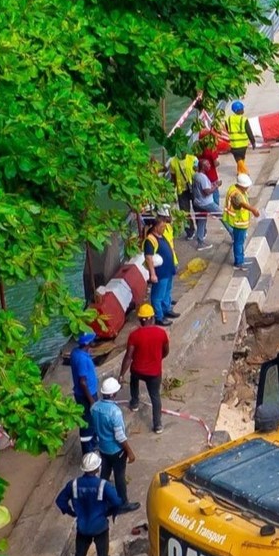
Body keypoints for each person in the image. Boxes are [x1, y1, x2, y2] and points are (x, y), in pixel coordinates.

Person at [56, 452, 126, 556]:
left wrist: (71, 512)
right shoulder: (104, 485)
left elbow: (60, 501)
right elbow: (117, 502)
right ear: (97, 468)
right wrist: (109, 512)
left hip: (82, 528)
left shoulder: (73, 484)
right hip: (100, 527)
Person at [90, 377, 139, 511]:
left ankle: (101, 499)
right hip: (116, 450)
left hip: (103, 448)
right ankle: (123, 503)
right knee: (119, 477)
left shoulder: (94, 407)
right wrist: (129, 451)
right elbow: (119, 436)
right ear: (112, 394)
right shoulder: (114, 411)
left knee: (105, 474)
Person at [121, 303, 169, 433]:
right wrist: (158, 358)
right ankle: (157, 424)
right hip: (154, 373)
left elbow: (128, 356)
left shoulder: (134, 335)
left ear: (140, 320)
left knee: (133, 380)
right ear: (152, 318)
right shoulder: (161, 333)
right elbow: (166, 351)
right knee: (155, 397)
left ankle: (135, 402)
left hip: (138, 370)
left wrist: (121, 375)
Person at [69, 331, 100, 454]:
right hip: (87, 395)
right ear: (87, 343)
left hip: (85, 394)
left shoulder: (76, 353)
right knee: (88, 423)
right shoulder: (82, 359)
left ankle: (94, 443)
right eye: (92, 340)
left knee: (91, 420)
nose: (94, 341)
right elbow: (82, 382)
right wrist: (91, 400)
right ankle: (88, 451)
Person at [144, 212, 178, 324]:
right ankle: (159, 317)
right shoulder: (150, 240)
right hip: (160, 273)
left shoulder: (161, 235)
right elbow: (148, 258)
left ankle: (166, 309)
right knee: (158, 296)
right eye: (162, 226)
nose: (164, 228)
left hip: (168, 270)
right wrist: (152, 274)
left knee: (167, 292)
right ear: (155, 226)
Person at [224, 173, 254, 267]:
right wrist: (253, 210)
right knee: (238, 242)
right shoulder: (236, 194)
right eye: (246, 187)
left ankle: (241, 258)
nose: (247, 188)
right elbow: (241, 203)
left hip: (239, 221)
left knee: (239, 241)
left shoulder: (234, 188)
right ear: (241, 185)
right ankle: (239, 262)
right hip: (239, 222)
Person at [187, 159, 219, 245]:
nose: (209, 165)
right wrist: (215, 186)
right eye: (207, 164)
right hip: (207, 203)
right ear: (203, 167)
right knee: (223, 216)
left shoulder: (195, 176)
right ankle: (233, 233)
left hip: (198, 202)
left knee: (201, 221)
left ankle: (200, 242)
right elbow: (207, 191)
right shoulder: (202, 177)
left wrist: (212, 185)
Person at [224, 101, 249, 172]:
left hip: (234, 144)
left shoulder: (228, 120)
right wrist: (253, 141)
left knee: (238, 159)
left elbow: (227, 129)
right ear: (238, 110)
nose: (243, 110)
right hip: (243, 144)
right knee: (241, 158)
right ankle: (243, 172)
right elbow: (249, 131)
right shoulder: (244, 120)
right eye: (242, 108)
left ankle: (242, 172)